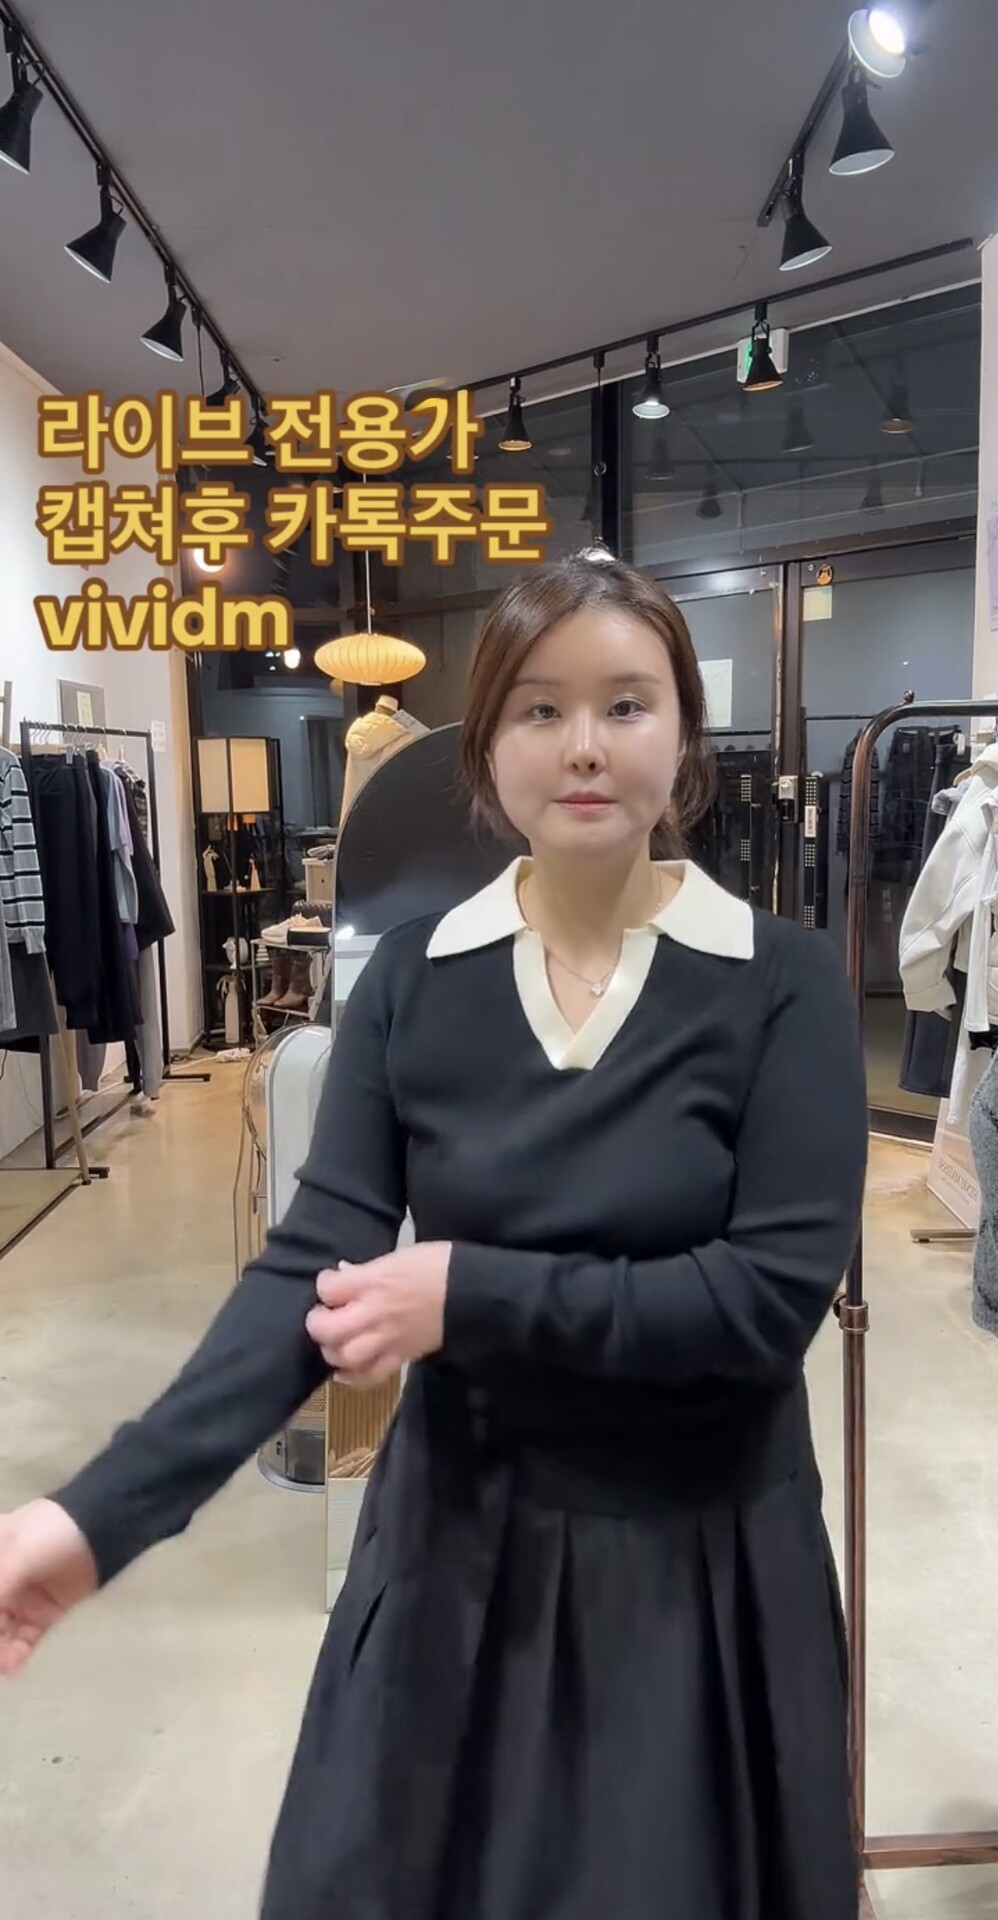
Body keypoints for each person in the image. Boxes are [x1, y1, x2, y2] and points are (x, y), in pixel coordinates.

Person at [0, 551, 869, 1920]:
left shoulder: (783, 984)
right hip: (460, 1548)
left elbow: (763, 1307)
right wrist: (93, 1516)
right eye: (539, 708)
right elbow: (314, 1267)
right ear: (486, 747)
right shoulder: (414, 979)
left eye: (626, 704)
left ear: (684, 734)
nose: (584, 747)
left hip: (697, 1565)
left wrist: (469, 1292)